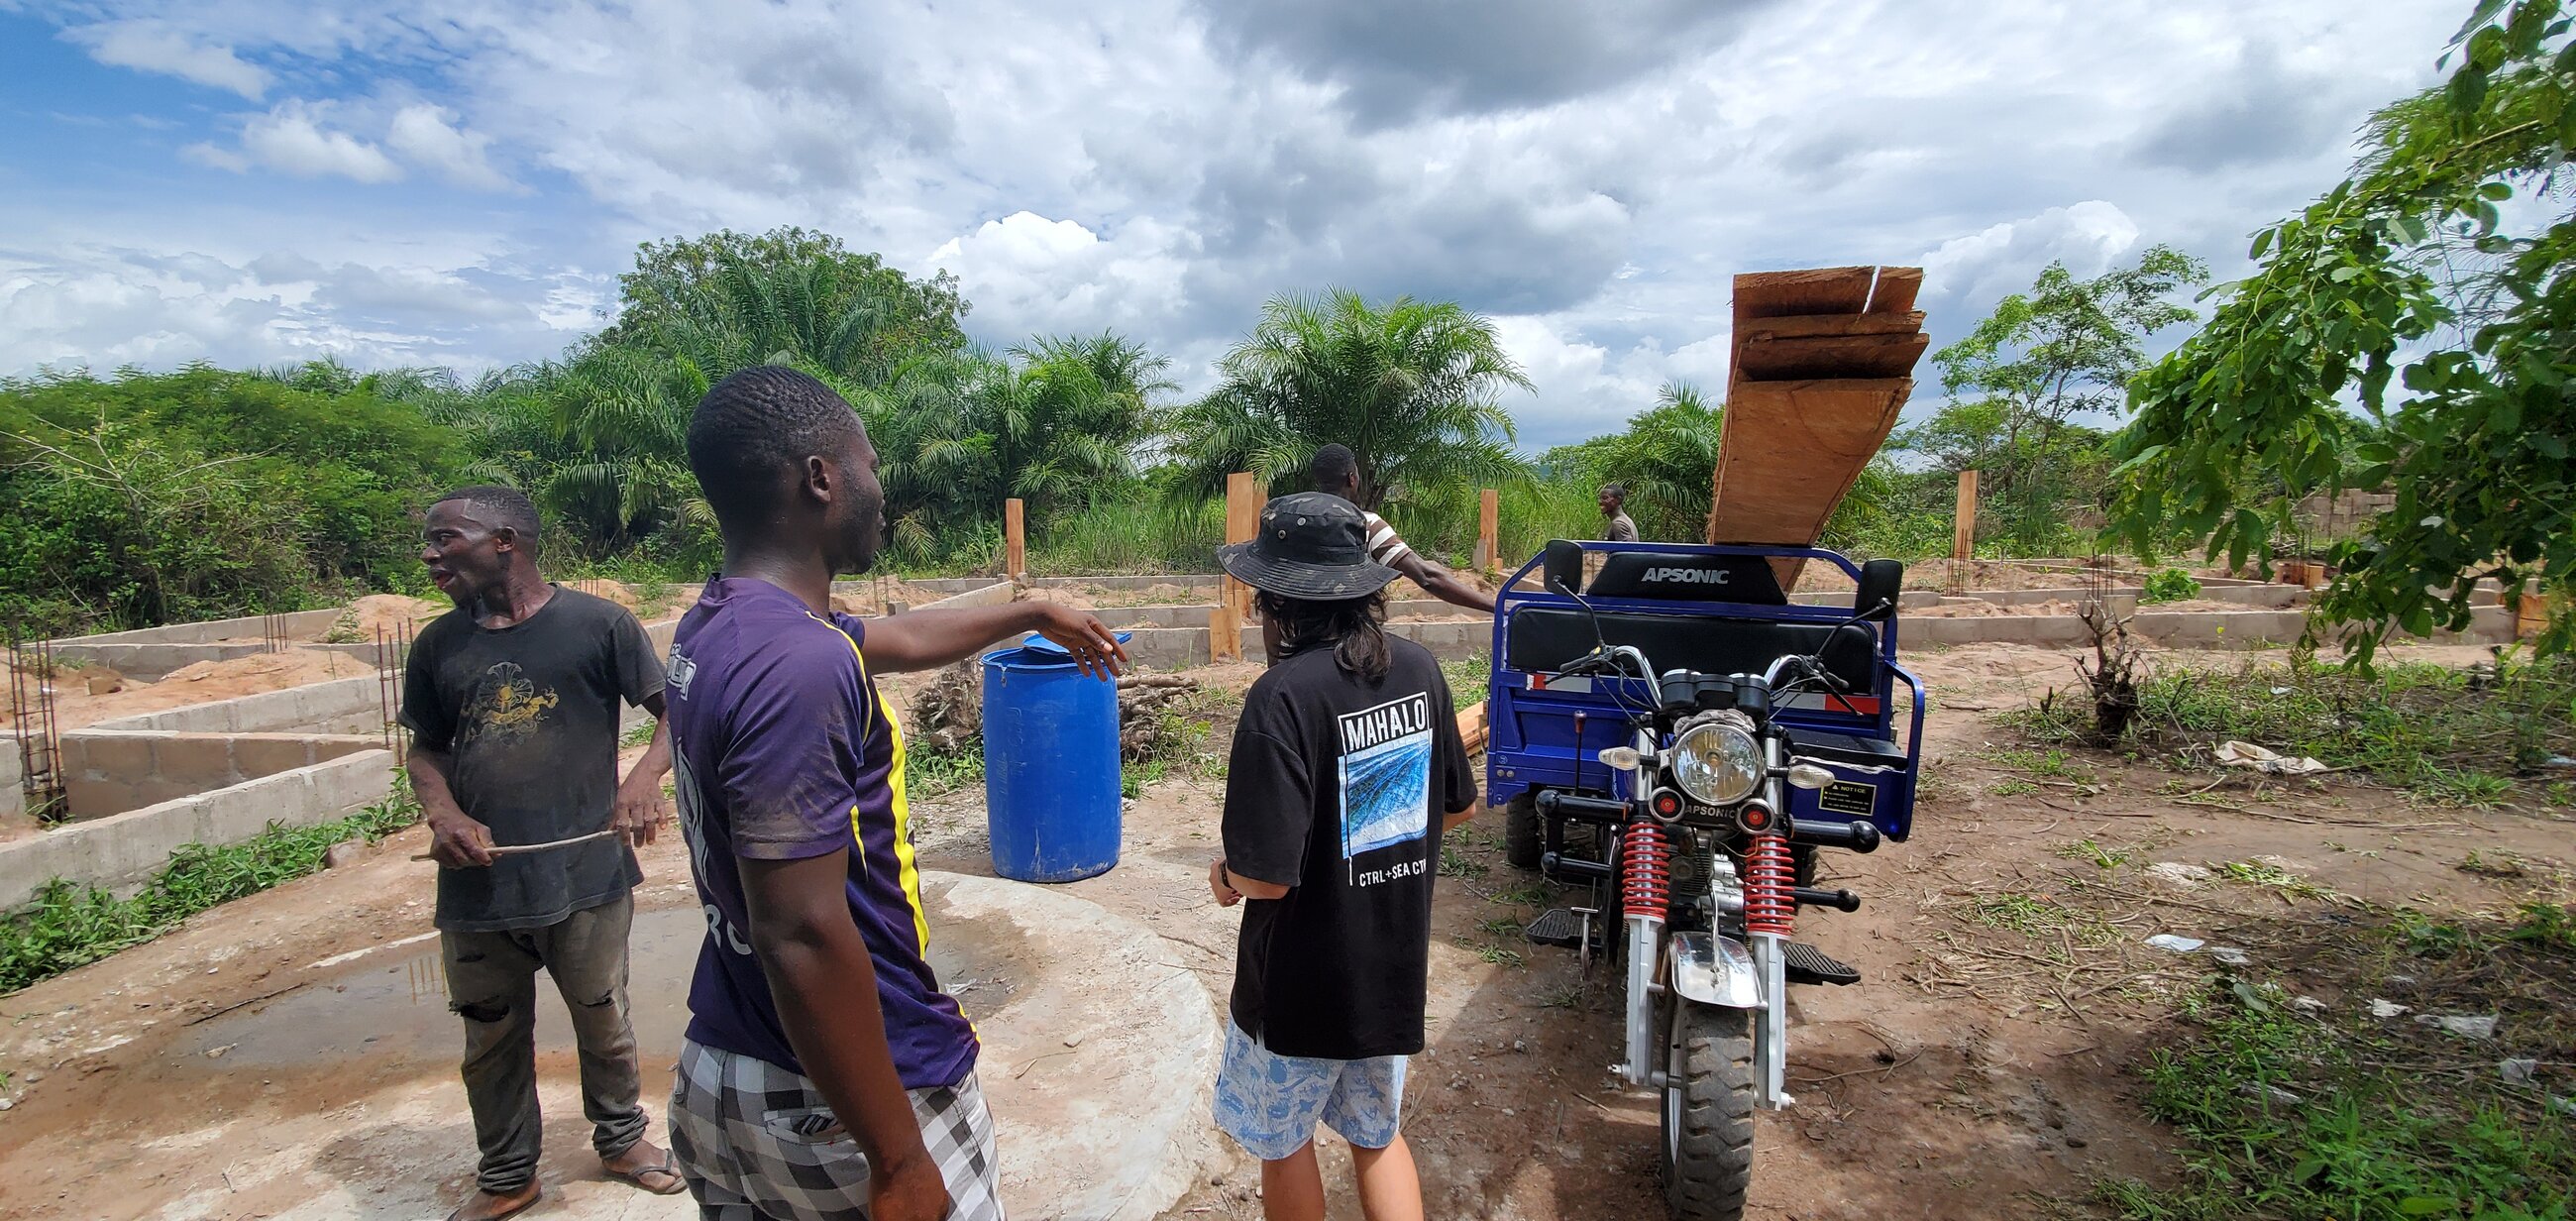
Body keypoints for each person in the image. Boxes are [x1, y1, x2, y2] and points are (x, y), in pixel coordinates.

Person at [662, 364, 1127, 1221]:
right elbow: (800, 927)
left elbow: (900, 637)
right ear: (820, 478)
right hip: (844, 1094)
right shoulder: (794, 664)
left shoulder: (726, 623)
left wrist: (1029, 610)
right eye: (870, 465)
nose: (882, 489)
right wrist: (900, 1158)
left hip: (725, 1061)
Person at [402, 485, 686, 1221]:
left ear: (505, 541)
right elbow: (426, 749)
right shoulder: (438, 645)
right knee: (490, 1033)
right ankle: (507, 1176)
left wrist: (642, 779)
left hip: (584, 870)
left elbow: (677, 716)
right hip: (478, 882)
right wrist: (444, 813)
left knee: (602, 1014)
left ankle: (623, 1140)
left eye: (445, 539)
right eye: (429, 542)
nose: (430, 555)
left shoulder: (598, 625)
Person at [1205, 492, 1479, 1221]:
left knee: (1283, 1143)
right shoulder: (1420, 671)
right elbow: (1456, 807)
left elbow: (1266, 877)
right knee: (1377, 1138)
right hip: (1388, 971)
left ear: (1280, 608)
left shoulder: (1283, 698)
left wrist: (1226, 878)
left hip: (1297, 988)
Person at [1308, 444, 1495, 614]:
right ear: (1352, 479)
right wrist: (1497, 606)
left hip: (1296, 636)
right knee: (1417, 654)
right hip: (1353, 635)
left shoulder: (1292, 522)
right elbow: (1427, 577)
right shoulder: (1367, 524)